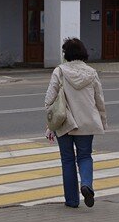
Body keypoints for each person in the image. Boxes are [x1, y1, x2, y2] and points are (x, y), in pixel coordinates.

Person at [44, 37, 108, 209]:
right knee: (85, 156)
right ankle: (86, 184)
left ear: (66, 54)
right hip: (87, 122)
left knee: (67, 160)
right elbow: (99, 100)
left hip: (64, 122)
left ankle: (72, 201)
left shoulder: (60, 71)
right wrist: (101, 121)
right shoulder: (92, 73)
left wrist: (50, 124)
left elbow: (49, 99)